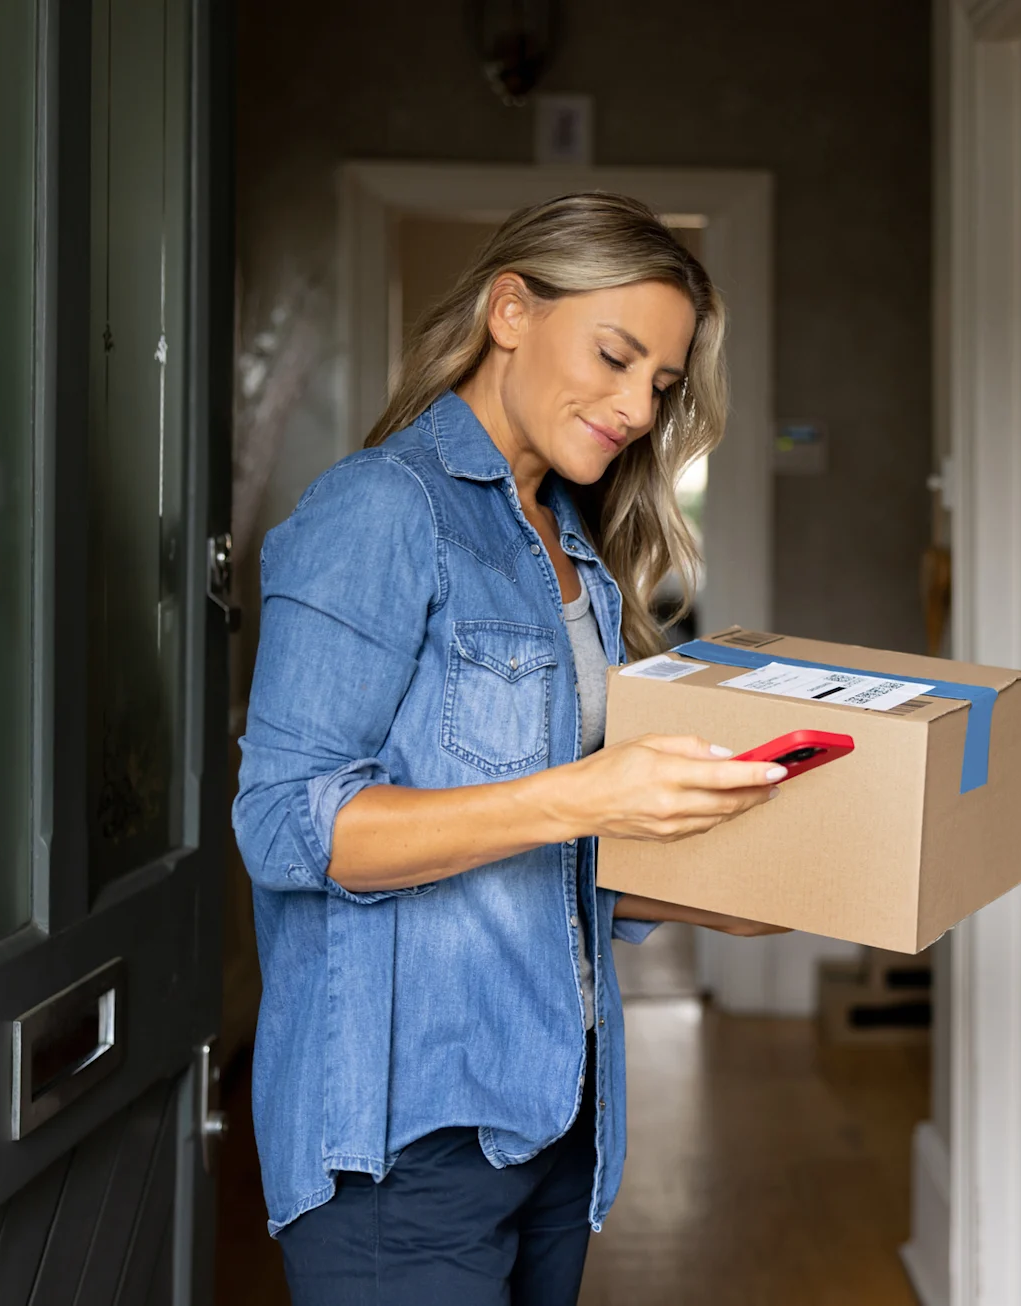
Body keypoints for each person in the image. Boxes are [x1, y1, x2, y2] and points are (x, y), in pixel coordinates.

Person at [232, 192, 789, 1306]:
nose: (637, 407)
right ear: (510, 311)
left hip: (554, 1121)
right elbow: (291, 823)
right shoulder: (382, 511)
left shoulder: (568, 541)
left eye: (663, 386)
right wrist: (589, 793)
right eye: (616, 356)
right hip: (406, 1140)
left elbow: (542, 852)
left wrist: (703, 894)